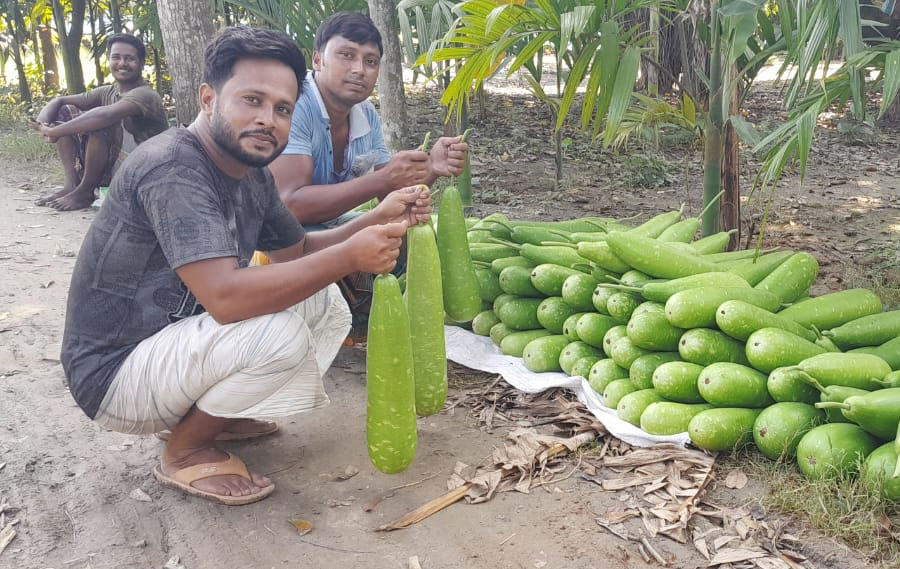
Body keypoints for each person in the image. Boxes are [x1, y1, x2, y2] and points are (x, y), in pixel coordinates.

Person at [60, 26, 431, 506]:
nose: (267, 120)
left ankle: (214, 416)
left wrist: (377, 219)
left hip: (167, 348)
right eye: (252, 100)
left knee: (319, 300)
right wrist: (349, 255)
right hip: (114, 375)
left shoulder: (250, 172)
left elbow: (297, 253)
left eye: (282, 109)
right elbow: (226, 299)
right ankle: (186, 450)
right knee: (280, 335)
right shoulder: (173, 166)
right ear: (208, 98)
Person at [267, 12, 467, 336]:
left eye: (370, 61)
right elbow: (290, 206)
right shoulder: (294, 105)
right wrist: (383, 180)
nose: (359, 69)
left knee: (408, 230)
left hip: (325, 228)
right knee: (327, 237)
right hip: (271, 240)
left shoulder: (365, 114)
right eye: (346, 55)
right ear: (317, 60)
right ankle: (329, 319)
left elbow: (387, 194)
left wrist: (431, 168)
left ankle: (364, 317)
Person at [30, 34, 169, 211]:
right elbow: (60, 101)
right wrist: (43, 126)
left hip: (144, 171)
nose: (122, 63)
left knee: (100, 123)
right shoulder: (109, 91)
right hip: (116, 168)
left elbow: (106, 116)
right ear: (109, 60)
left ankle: (85, 192)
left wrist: (55, 132)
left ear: (141, 63)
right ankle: (72, 186)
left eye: (129, 58)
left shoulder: (145, 95)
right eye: (116, 57)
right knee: (66, 111)